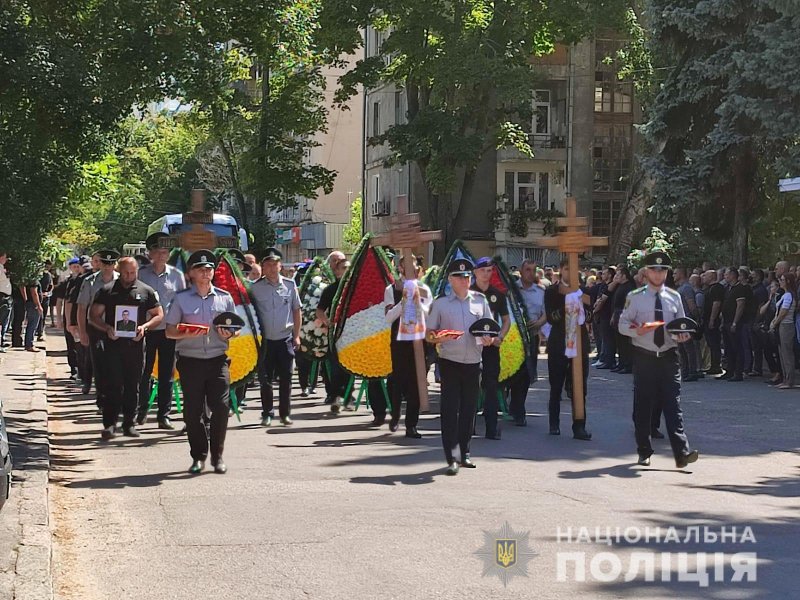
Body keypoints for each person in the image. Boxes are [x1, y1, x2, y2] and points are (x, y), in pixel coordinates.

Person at [618, 250, 699, 469]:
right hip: (644, 357)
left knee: (673, 404)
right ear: (646, 272)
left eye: (663, 270)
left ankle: (682, 453)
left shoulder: (674, 297)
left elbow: (681, 325)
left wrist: (682, 336)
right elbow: (622, 324)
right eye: (654, 270)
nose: (658, 274)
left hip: (668, 356)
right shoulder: (634, 297)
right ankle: (644, 450)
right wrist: (638, 330)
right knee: (643, 405)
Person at [165, 250, 238, 474]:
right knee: (193, 412)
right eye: (201, 269)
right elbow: (169, 331)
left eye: (209, 269)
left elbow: (234, 330)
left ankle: (217, 456)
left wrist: (229, 334)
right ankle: (198, 455)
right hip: (191, 361)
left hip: (218, 360)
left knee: (221, 407)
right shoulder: (181, 299)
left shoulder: (225, 297)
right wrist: (188, 332)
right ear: (191, 273)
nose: (206, 273)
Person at [426, 258, 493, 475]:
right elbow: (429, 334)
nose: (464, 280)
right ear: (450, 279)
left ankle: (465, 453)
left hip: (473, 362)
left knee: (469, 410)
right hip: (450, 362)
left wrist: (489, 338)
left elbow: (489, 329)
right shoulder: (441, 304)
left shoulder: (480, 301)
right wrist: (438, 338)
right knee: (449, 410)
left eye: (467, 277)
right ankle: (452, 456)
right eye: (459, 277)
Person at [90, 257, 162, 439]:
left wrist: (145, 327)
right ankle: (109, 424)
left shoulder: (146, 291)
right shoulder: (107, 290)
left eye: (133, 272)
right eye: (126, 272)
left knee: (133, 386)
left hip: (135, 346)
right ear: (119, 271)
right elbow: (94, 316)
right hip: (113, 345)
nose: (129, 276)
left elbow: (158, 315)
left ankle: (129, 424)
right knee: (112, 386)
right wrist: (107, 328)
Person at [137, 232, 186, 428]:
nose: (161, 255)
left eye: (165, 252)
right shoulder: (141, 274)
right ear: (151, 254)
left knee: (167, 374)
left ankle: (163, 415)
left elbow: (184, 302)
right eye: (157, 252)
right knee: (144, 371)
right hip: (146, 329)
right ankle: (140, 411)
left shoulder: (176, 275)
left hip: (169, 330)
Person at [251, 247, 302, 427]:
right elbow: (252, 314)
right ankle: (267, 413)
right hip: (265, 341)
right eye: (268, 265)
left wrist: (296, 335)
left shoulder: (289, 285)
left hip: (285, 339)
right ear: (263, 267)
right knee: (265, 380)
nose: (272, 268)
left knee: (286, 379)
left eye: (275, 264)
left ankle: (285, 414)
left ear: (280, 266)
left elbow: (296, 311)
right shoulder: (255, 289)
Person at [384, 255, 432, 437]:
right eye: (407, 265)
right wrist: (404, 300)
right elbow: (388, 317)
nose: (412, 267)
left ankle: (411, 424)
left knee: (417, 382)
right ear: (401, 268)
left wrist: (417, 299)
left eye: (414, 264)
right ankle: (395, 414)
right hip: (399, 340)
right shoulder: (392, 288)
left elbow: (430, 314)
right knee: (397, 380)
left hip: (419, 340)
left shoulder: (424, 288)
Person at [466, 257, 511, 438]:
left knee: (491, 386)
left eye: (490, 271)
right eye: (483, 270)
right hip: (470, 346)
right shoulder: (468, 293)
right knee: (470, 386)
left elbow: (506, 320)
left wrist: (500, 336)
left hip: (491, 346)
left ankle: (491, 428)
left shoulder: (497, 295)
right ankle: (469, 427)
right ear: (475, 272)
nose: (487, 274)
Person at [77, 250, 120, 403]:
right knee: (100, 364)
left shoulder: (123, 281)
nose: (108, 267)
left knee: (116, 364)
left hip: (117, 328)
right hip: (96, 328)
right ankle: (101, 398)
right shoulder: (90, 282)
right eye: (105, 263)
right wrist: (82, 332)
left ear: (115, 264)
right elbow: (82, 308)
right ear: (100, 263)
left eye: (111, 263)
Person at [316, 251, 349, 412]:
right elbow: (320, 310)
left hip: (353, 332)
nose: (347, 271)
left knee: (351, 365)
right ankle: (336, 396)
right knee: (336, 366)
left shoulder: (354, 288)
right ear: (336, 271)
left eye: (349, 268)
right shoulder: (331, 289)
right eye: (343, 268)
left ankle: (348, 396)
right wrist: (327, 322)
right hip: (336, 333)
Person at [719, 267, 750, 382]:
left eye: (727, 274)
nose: (725, 276)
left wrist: (735, 322)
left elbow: (740, 306)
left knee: (737, 347)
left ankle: (738, 372)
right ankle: (729, 370)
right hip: (726, 320)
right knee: (728, 348)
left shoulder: (740, 288)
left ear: (733, 275)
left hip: (735, 322)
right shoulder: (728, 288)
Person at [769, 272, 797, 389]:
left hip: (786, 325)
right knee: (782, 353)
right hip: (782, 325)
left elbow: (783, 312)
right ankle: (786, 378)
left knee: (787, 353)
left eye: (782, 280)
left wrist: (775, 322)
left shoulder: (789, 295)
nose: (780, 281)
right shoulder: (785, 295)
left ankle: (789, 380)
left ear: (788, 282)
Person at [701, 270, 725, 375]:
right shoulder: (708, 289)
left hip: (713, 320)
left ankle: (716, 365)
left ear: (712, 276)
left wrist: (712, 319)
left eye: (705, 275)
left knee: (714, 343)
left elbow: (717, 304)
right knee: (711, 343)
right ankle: (713, 364)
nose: (703, 277)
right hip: (707, 319)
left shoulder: (716, 288)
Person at [20, 277, 44, 352]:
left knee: (30, 324)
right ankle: (29, 344)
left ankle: (28, 343)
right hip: (34, 305)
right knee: (33, 325)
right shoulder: (34, 280)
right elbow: (34, 293)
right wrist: (39, 305)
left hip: (30, 304)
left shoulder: (28, 279)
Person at [0, 251, 13, 352]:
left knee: (4, 321)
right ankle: (1, 342)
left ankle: (2, 340)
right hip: (2, 297)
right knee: (3, 321)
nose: (6, 259)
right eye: (4, 257)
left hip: (5, 296)